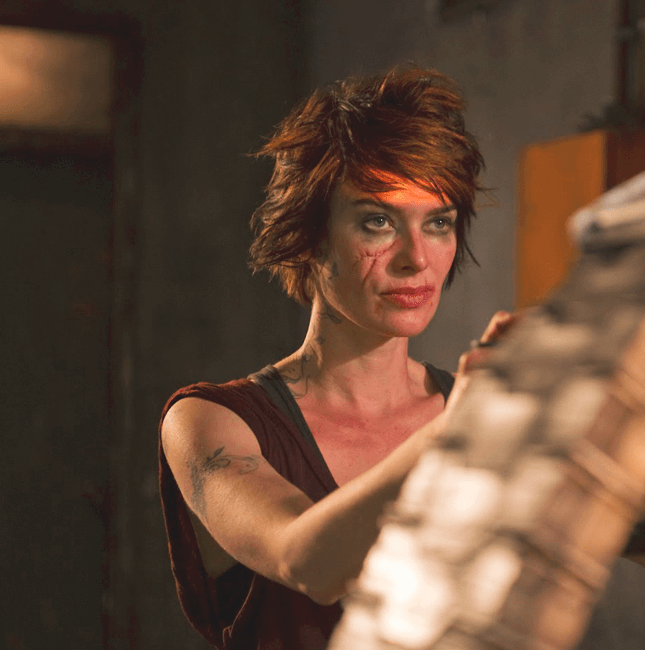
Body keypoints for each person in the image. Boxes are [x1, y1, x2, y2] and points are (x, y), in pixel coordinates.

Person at [158, 66, 505, 650]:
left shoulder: (475, 412)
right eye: (378, 222)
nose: (416, 259)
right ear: (311, 236)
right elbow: (306, 561)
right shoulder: (209, 421)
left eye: (438, 223)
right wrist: (459, 433)